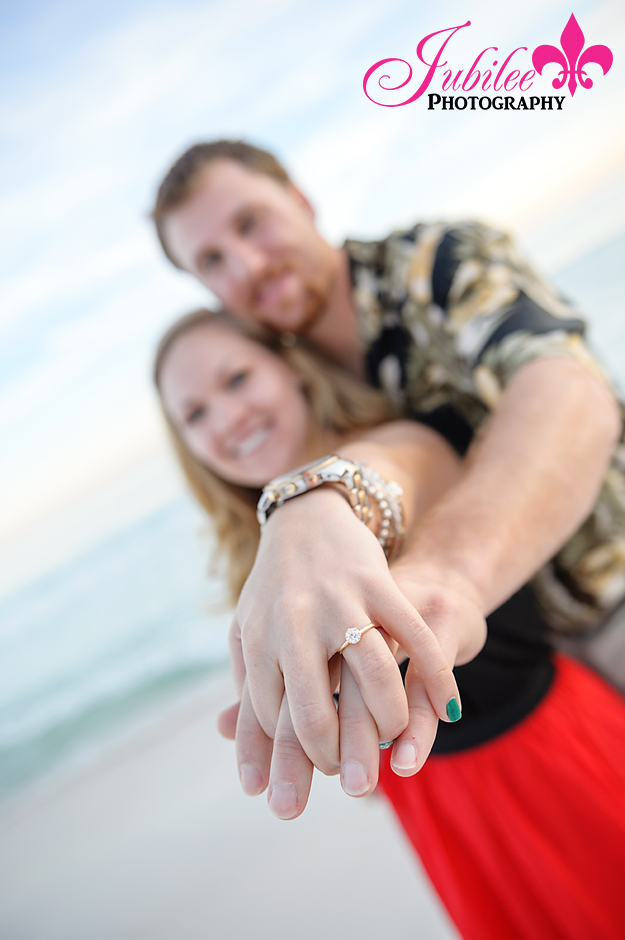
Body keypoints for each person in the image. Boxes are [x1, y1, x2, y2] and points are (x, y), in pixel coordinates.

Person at [151, 139, 625, 796]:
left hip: (607, 600)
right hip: (504, 677)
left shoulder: (436, 263)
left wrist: (447, 577)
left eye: (250, 222)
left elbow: (567, 393)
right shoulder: (293, 387)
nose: (248, 264)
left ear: (299, 200)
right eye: (211, 260)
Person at [153, 308, 625, 940]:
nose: (226, 416)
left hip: (554, 758)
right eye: (195, 413)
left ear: (294, 370)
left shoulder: (410, 440)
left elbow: (401, 464)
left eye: (235, 379)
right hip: (438, 815)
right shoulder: (272, 575)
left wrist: (312, 500)